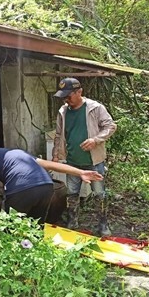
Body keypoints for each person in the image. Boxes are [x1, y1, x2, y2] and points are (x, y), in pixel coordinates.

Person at [0, 138, 103, 224]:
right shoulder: (17, 152)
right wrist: (80, 172)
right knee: (35, 225)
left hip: (22, 189)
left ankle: (13, 260)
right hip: (46, 186)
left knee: (10, 226)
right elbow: (48, 164)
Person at [52, 78, 117, 236]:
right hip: (72, 162)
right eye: (64, 96)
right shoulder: (63, 111)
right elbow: (59, 134)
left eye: (69, 95)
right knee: (72, 194)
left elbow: (111, 126)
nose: (66, 99)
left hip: (94, 161)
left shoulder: (95, 108)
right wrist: (55, 155)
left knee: (99, 194)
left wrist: (95, 140)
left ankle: (103, 224)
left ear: (79, 92)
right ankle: (72, 222)